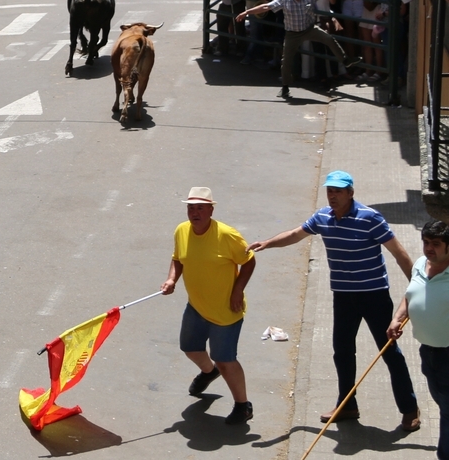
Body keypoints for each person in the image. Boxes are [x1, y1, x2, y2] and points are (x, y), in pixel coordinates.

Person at [250, 170, 420, 430]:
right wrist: (267, 244)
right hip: (343, 296)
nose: (333, 196)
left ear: (351, 193)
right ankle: (347, 405)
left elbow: (399, 253)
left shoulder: (370, 218)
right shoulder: (322, 217)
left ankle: (409, 409)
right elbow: (296, 234)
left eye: (338, 191)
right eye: (330, 191)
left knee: (389, 353)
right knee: (342, 352)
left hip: (374, 295)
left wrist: (416, 289)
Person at [160, 187, 256, 425]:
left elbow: (249, 261)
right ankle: (208, 371)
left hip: (225, 312)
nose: (195, 212)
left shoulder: (227, 235)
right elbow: (177, 258)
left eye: (200, 207)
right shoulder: (182, 231)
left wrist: (237, 290)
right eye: (191, 208)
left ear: (211, 210)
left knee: (224, 360)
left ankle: (243, 406)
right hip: (196, 307)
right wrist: (172, 279)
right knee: (190, 348)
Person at [235, 0, 362, 99]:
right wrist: (247, 12)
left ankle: (345, 60)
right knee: (286, 61)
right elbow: (267, 6)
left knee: (328, 38)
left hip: (309, 29)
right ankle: (285, 86)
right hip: (292, 34)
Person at [388, 220, 449, 459]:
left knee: (447, 411)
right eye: (425, 243)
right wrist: (398, 318)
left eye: (435, 244)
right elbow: (410, 294)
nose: (428, 248)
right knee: (442, 403)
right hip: (428, 352)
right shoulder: (421, 265)